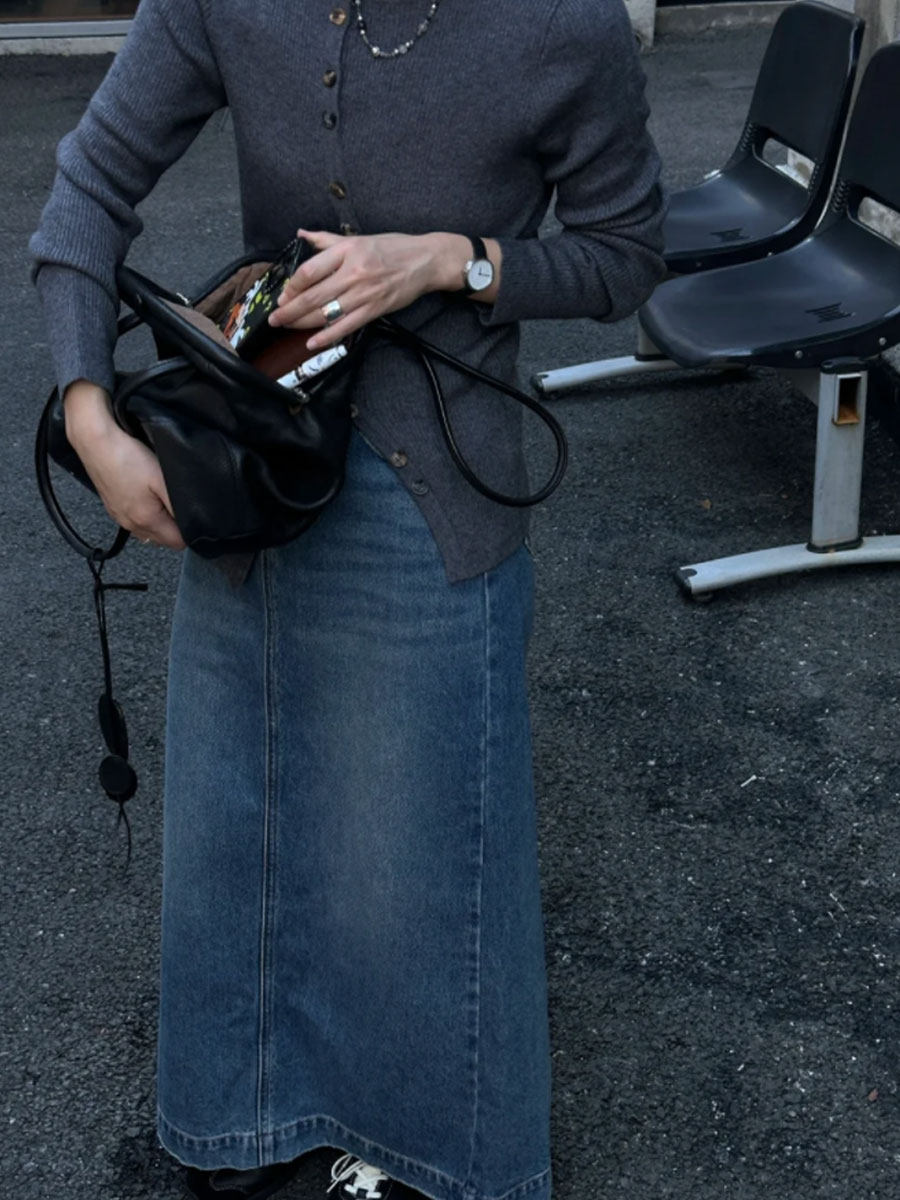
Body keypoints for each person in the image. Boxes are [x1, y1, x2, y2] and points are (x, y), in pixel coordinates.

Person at [30, 2, 665, 1199]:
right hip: (255, 465)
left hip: (438, 476)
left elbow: (626, 253)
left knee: (414, 850)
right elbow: (90, 186)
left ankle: (419, 1153)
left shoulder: (560, 24)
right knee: (241, 811)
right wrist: (88, 414)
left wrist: (453, 261)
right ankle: (250, 1126)